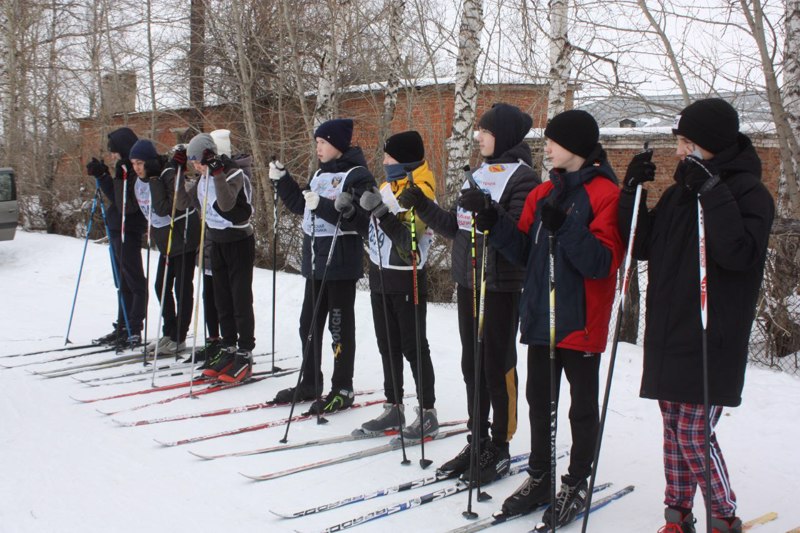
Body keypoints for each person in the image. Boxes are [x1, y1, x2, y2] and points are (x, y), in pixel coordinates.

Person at [619, 98, 774, 533]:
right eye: (679, 142)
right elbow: (640, 245)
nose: (679, 152)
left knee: (691, 432)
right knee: (673, 429)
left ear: (712, 146)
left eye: (688, 142)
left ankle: (724, 516)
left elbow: (739, 254)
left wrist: (712, 191)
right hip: (670, 328)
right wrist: (631, 191)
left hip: (712, 332)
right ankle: (677, 513)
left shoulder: (749, 194)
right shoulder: (678, 195)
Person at [480, 109, 623, 528]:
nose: (548, 149)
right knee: (539, 400)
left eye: (555, 143)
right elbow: (525, 250)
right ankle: (540, 476)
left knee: (580, 407)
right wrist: (495, 225)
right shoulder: (544, 193)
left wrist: (568, 229)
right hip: (543, 316)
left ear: (576, 147)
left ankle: (577, 480)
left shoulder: (605, 196)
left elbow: (602, 263)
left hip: (579, 320)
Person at [398, 103, 539, 484]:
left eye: (485, 131)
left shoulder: (524, 179)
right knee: (471, 366)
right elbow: (455, 226)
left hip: (498, 285)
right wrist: (423, 206)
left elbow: (520, 242)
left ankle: (500, 445)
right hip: (468, 280)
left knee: (497, 365)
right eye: (479, 130)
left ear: (504, 135)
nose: (479, 137)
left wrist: (492, 214)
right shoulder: (476, 174)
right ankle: (477, 438)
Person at [335, 130, 438, 440]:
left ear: (404, 160)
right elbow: (373, 232)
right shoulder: (386, 186)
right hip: (380, 275)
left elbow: (409, 243)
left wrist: (379, 210)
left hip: (407, 277)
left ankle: (428, 411)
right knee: (387, 345)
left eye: (389, 157)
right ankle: (394, 405)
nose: (384, 162)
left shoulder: (422, 189)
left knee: (413, 347)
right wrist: (352, 213)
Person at [270, 118, 376, 414]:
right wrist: (283, 181)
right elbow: (302, 205)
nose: (318, 148)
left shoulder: (358, 176)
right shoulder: (320, 173)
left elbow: (358, 219)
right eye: (316, 142)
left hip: (340, 263)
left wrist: (324, 206)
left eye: (323, 143)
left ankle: (343, 386)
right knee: (309, 324)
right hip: (315, 261)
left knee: (339, 328)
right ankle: (310, 381)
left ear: (338, 146)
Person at [176, 133, 256, 383]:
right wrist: (178, 171)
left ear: (209, 156)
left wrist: (217, 173)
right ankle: (228, 348)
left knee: (239, 298)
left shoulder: (232, 173)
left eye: (198, 161)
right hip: (216, 241)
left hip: (238, 241)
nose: (196, 167)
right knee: (222, 300)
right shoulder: (201, 178)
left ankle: (244, 353)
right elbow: (180, 204)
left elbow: (227, 204)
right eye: (192, 163)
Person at [128, 139, 200, 356]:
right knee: (161, 286)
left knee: (181, 288)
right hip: (166, 240)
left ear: (149, 161)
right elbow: (134, 206)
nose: (137, 168)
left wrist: (154, 180)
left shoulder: (167, 174)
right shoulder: (143, 179)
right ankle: (169, 332)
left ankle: (179, 336)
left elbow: (164, 209)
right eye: (133, 163)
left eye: (140, 163)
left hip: (184, 235)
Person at [86, 127, 148, 348]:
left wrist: (113, 176)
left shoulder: (134, 169)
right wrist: (102, 175)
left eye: (114, 152)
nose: (112, 156)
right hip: (116, 227)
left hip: (128, 228)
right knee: (122, 280)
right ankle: (123, 325)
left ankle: (134, 327)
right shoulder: (122, 168)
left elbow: (127, 204)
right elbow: (115, 196)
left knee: (134, 279)